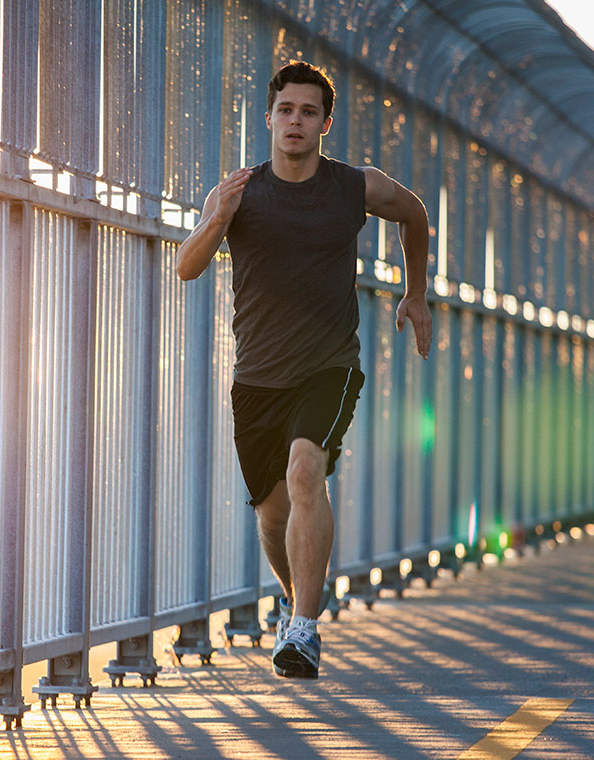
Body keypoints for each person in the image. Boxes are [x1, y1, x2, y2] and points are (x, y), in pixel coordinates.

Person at [174, 61, 432, 679]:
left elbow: (416, 214)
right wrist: (217, 218)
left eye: (308, 112)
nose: (295, 121)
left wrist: (415, 293)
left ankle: (306, 629)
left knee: (304, 472)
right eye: (286, 110)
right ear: (269, 118)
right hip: (257, 376)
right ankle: (300, 604)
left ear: (325, 123)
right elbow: (186, 267)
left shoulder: (354, 187)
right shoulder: (237, 192)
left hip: (329, 365)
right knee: (271, 514)